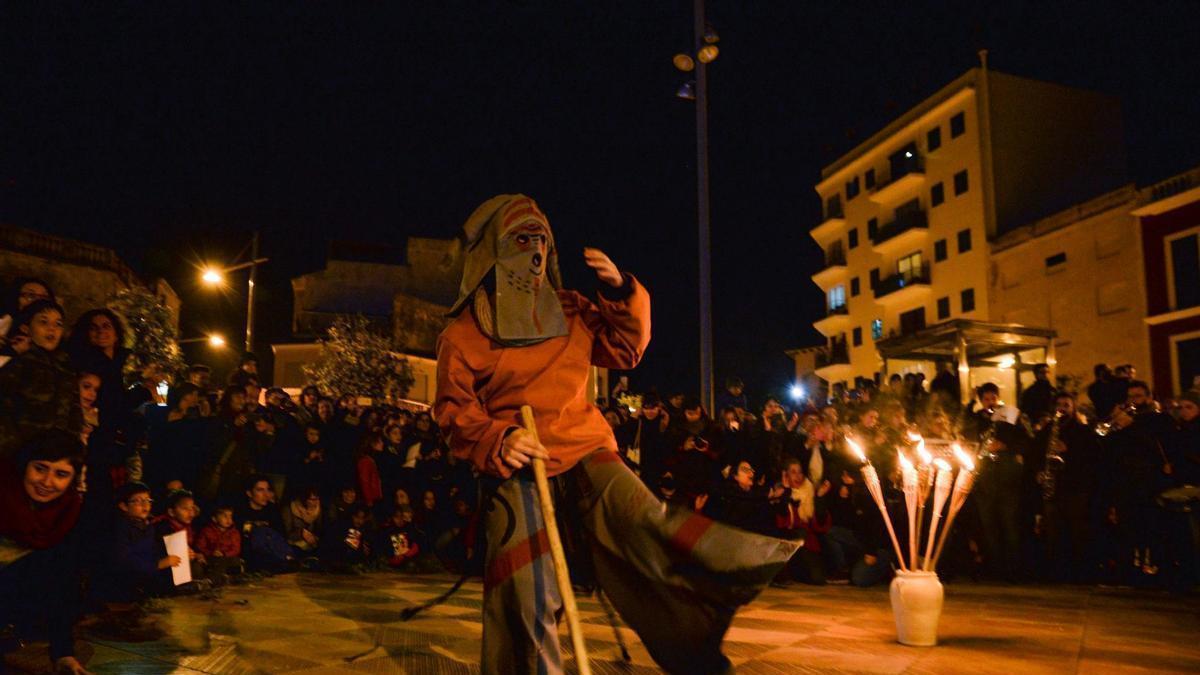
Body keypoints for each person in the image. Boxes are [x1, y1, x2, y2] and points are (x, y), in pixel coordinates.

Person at [435, 194, 798, 674]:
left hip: (584, 447)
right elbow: (453, 410)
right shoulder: (463, 332)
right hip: (519, 457)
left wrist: (622, 290)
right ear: (495, 250)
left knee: (647, 522)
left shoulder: (571, 309)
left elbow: (625, 348)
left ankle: (713, 607)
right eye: (523, 241)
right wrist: (498, 439)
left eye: (542, 240)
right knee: (524, 586)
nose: (536, 253)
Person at [0, 430, 90, 675]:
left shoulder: (67, 515)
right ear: (24, 465)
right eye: (40, 468)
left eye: (61, 474)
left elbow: (62, 586)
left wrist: (63, 653)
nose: (47, 482)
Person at [0, 300, 82, 456]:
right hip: (18, 452)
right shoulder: (20, 362)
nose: (52, 328)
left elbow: (74, 410)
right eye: (43, 322)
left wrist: (73, 448)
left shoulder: (66, 367)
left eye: (58, 324)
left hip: (56, 453)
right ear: (26, 328)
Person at [195, 505, 244, 584]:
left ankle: (218, 578)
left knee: (234, 561)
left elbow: (236, 549)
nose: (228, 519)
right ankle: (214, 578)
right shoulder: (207, 531)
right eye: (225, 516)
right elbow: (200, 546)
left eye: (230, 516)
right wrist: (211, 552)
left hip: (227, 558)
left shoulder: (234, 532)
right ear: (214, 519)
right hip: (211, 557)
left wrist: (224, 554)